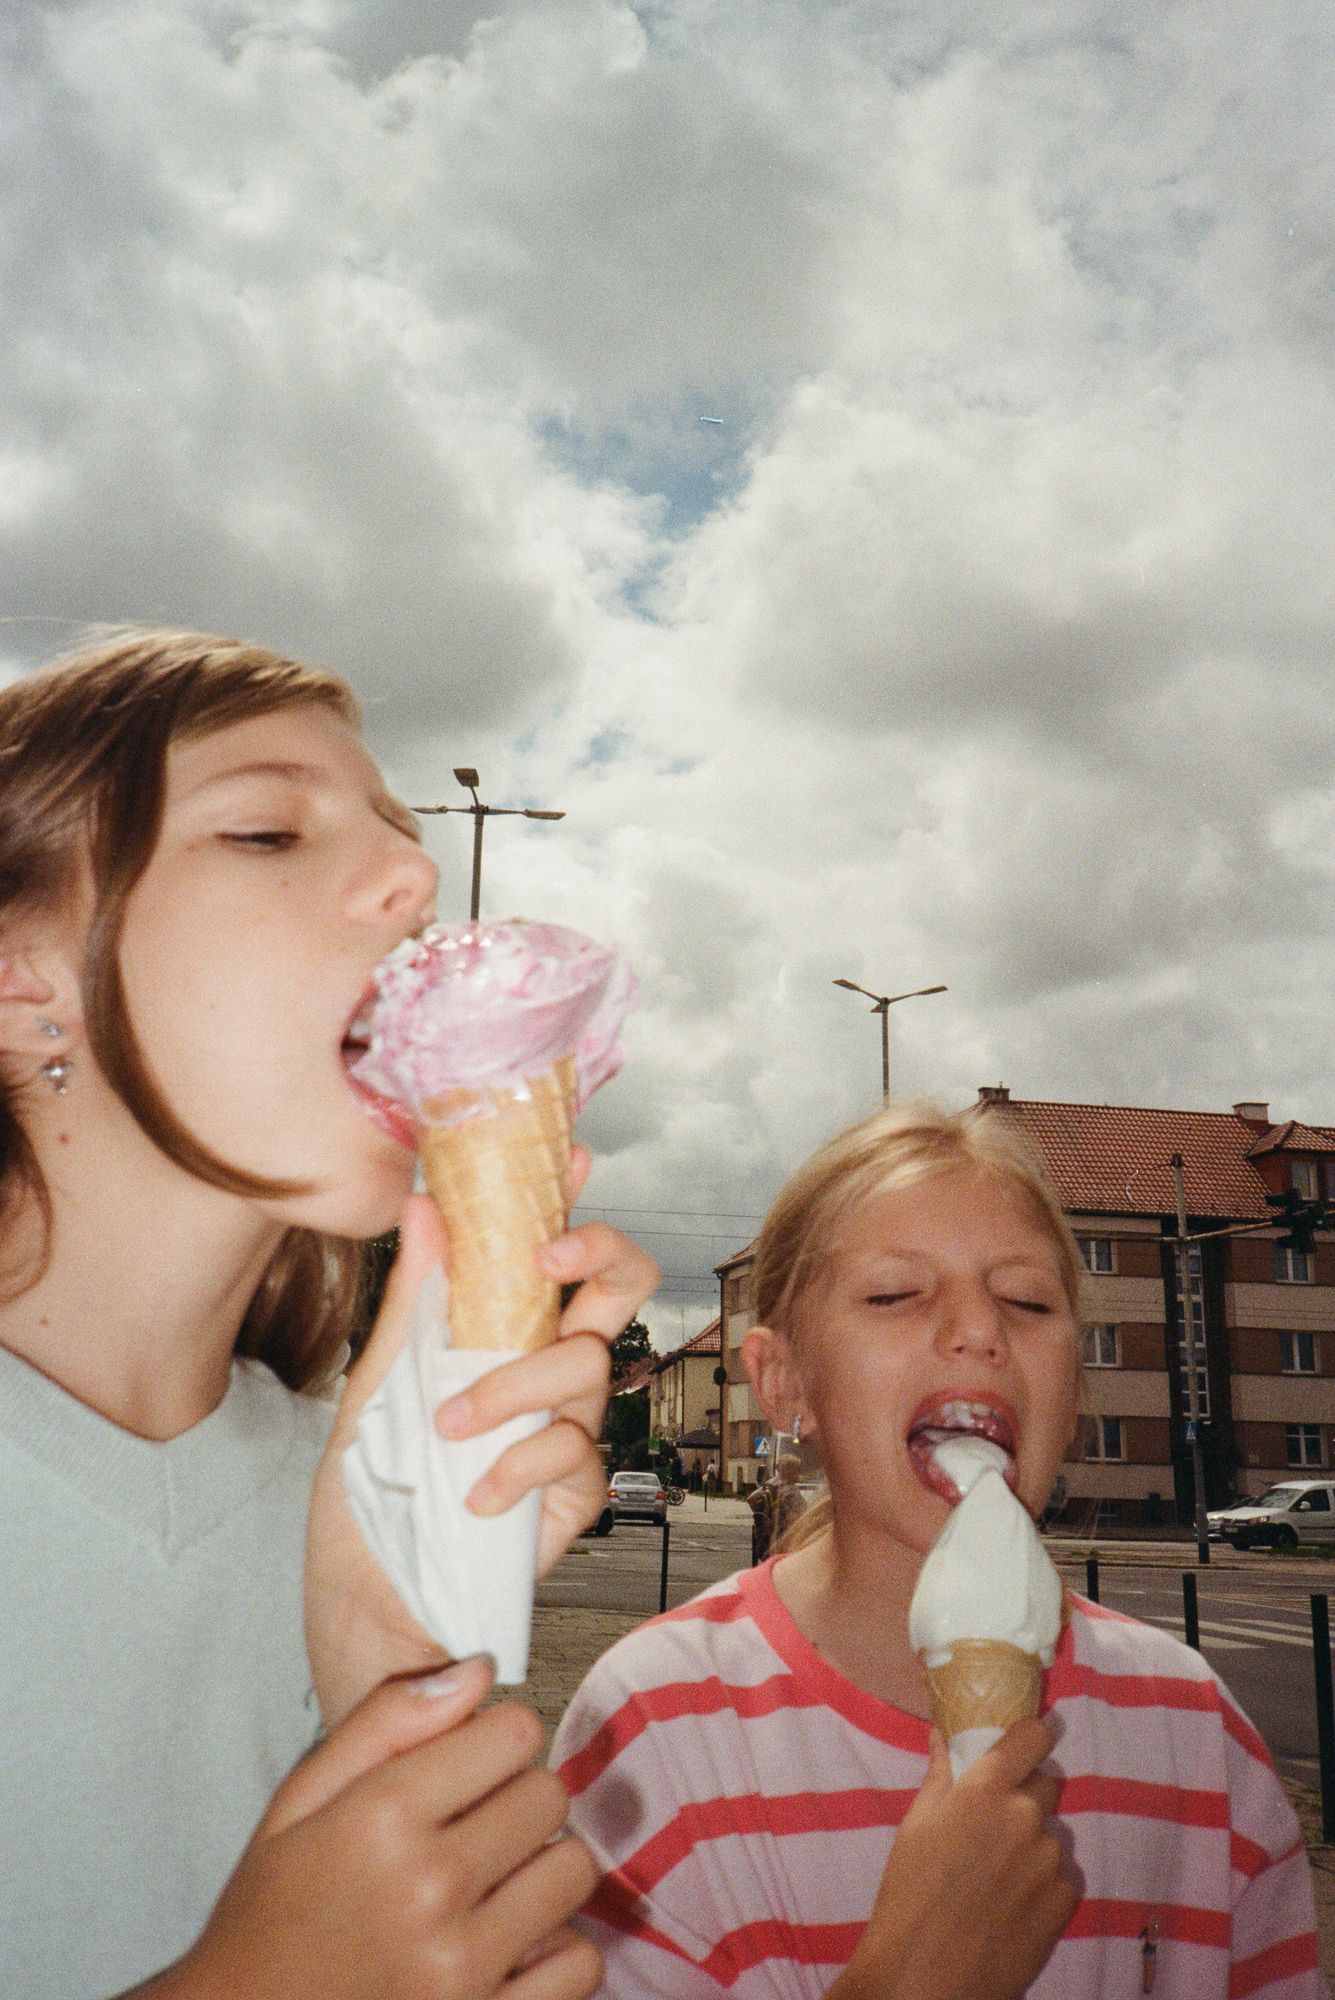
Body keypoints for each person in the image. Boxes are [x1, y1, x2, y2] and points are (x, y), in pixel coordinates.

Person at [0, 629, 659, 2000]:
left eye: (399, 839)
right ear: (22, 981)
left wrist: (393, 1676)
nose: (415, 877)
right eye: (262, 831)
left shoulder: (347, 1497)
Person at [551, 1102, 1324, 1999]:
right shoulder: (650, 1729)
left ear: (1072, 1390)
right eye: (893, 1293)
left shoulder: (1198, 1737)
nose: (978, 1331)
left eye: (1027, 1301)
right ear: (783, 1381)